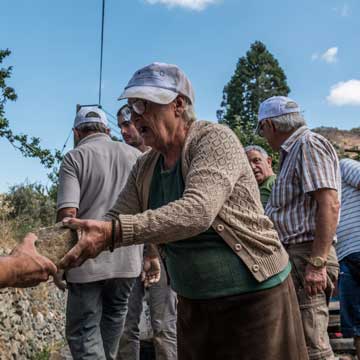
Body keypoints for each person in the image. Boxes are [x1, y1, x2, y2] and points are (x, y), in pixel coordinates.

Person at [59, 62, 308, 360]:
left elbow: (198, 211)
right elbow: (113, 218)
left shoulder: (213, 139)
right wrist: (60, 252)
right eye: (130, 108)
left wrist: (116, 233)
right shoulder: (145, 166)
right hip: (194, 303)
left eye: (143, 105)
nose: (135, 117)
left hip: (255, 300)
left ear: (178, 104)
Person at [56, 106, 146, 360]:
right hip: (128, 261)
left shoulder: (75, 157)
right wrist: (149, 255)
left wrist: (60, 263)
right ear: (108, 130)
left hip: (86, 262)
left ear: (76, 132)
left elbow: (68, 217)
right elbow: (150, 209)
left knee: (83, 331)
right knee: (114, 318)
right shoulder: (137, 157)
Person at [257, 96, 340, 360]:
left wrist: (317, 263)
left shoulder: (308, 144)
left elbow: (329, 203)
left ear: (269, 124)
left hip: (307, 255)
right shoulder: (292, 151)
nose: (262, 136)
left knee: (312, 343)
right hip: (296, 255)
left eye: (261, 129)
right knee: (299, 343)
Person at [117, 105, 177, 360]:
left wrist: (154, 250)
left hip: (161, 254)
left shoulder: (164, 159)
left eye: (129, 124)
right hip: (129, 255)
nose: (125, 130)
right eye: (122, 125)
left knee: (164, 325)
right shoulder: (125, 162)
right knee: (125, 325)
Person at [336, 158, 360, 359]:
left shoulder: (344, 165)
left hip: (358, 248)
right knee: (356, 322)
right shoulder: (325, 184)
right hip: (345, 256)